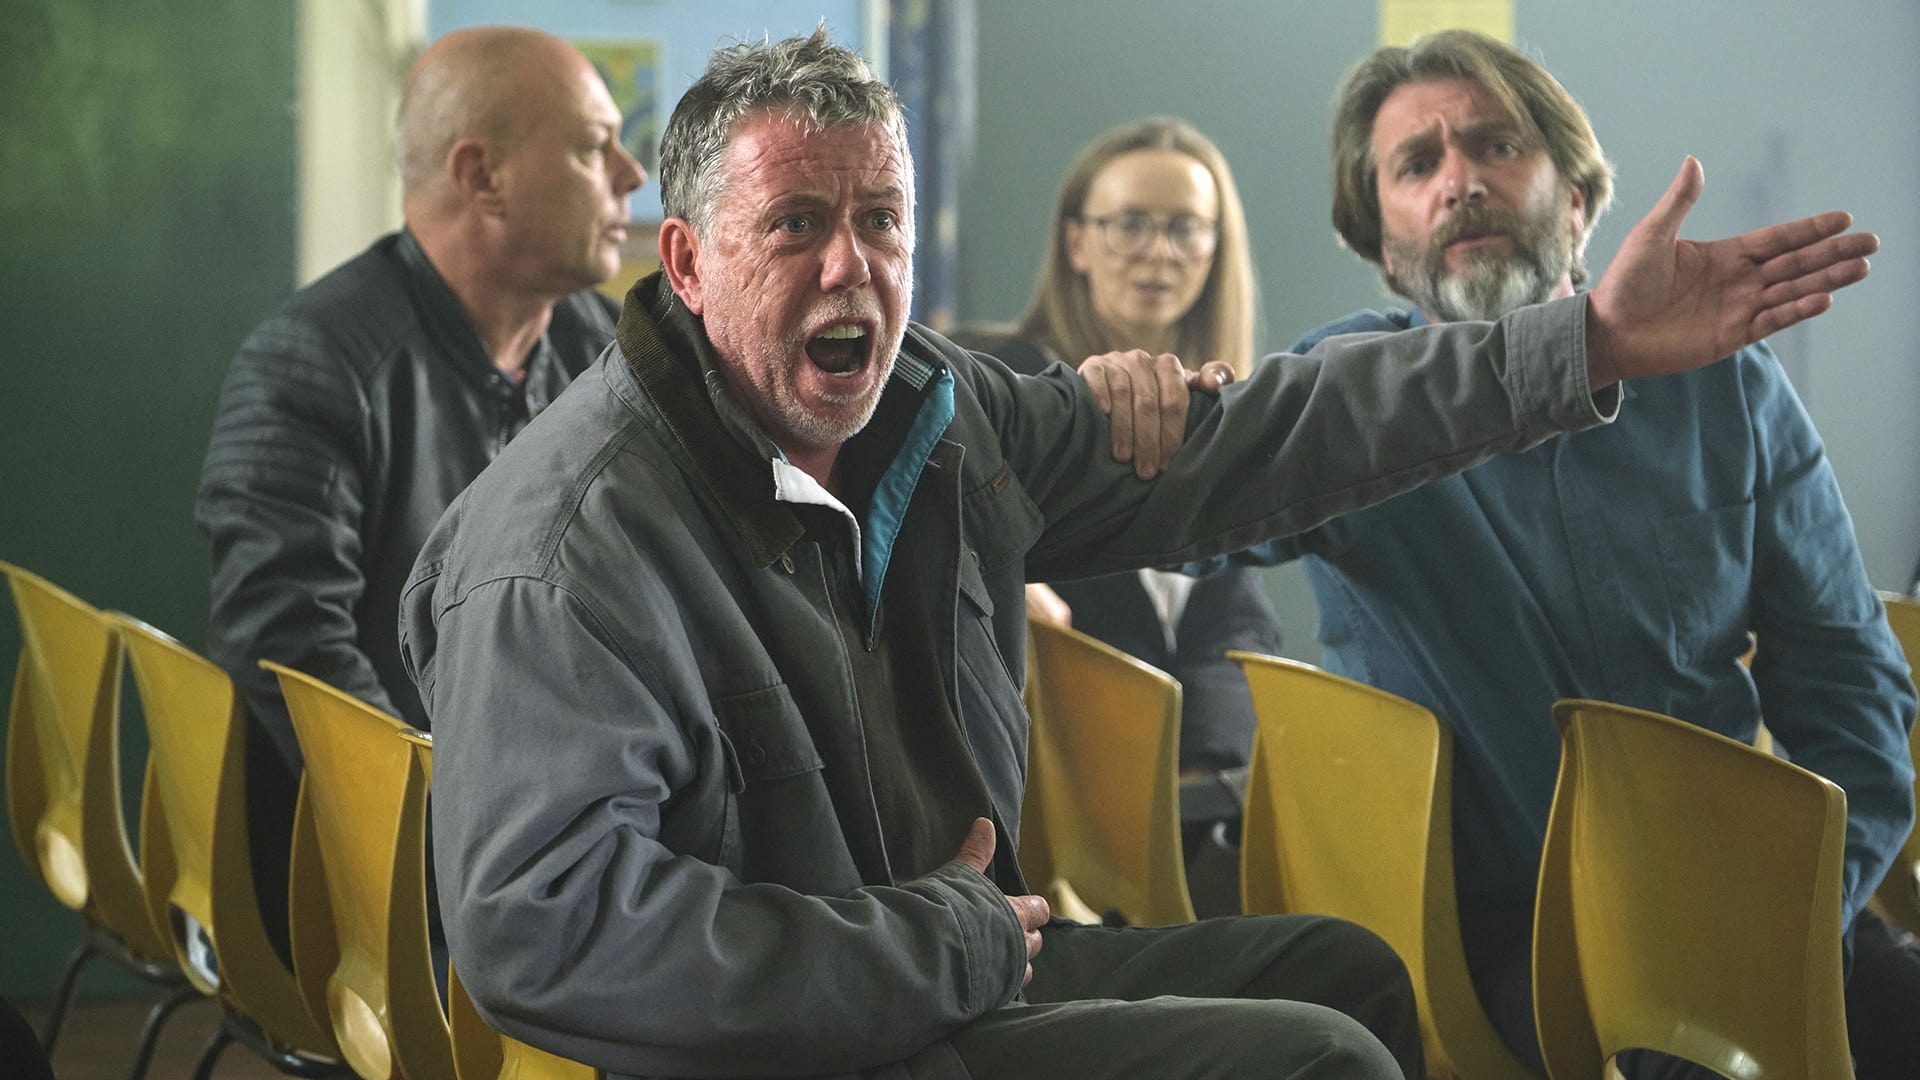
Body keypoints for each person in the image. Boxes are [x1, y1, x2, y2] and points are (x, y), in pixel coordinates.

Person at [400, 28, 1873, 1080]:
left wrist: (1587, 344)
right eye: (795, 225)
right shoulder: (571, 542)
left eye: (882, 220)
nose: (853, 266)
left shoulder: (934, 414)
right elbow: (544, 937)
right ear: (685, 262)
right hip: (790, 1036)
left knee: (1347, 975)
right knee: (1324, 1064)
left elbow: (1271, 441)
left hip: (930, 960)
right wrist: (938, 946)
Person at [1187, 28, 1914, 1078]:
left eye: (1497, 145)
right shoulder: (1348, 398)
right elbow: (1187, 515)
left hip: (1753, 914)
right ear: (1383, 245)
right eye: (1417, 164)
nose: (1461, 182)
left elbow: (1852, 688)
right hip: (1511, 952)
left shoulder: (1728, 386)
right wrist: (1158, 413)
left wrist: (1799, 915)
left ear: (1577, 200)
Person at [194, 25, 645, 953]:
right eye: (594, 146)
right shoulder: (311, 365)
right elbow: (290, 650)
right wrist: (487, 835)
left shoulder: (612, 358)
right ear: (483, 177)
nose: (633, 174)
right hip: (375, 882)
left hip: (567, 843)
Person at [992, 117, 1281, 781]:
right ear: (1077, 243)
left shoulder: (1219, 409)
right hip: (1042, 782)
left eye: (1185, 228)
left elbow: (1236, 624)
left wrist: (1200, 772)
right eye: (1129, 224)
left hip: (1187, 792)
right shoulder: (1004, 392)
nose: (1159, 252)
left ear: (1216, 249)